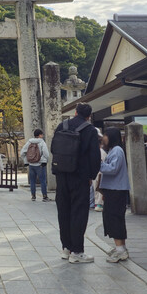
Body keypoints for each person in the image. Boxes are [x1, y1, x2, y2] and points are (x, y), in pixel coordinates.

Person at [53, 103, 101, 264]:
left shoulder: (62, 125)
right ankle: (77, 251)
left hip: (61, 175)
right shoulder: (90, 130)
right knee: (78, 213)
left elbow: (54, 148)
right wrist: (91, 175)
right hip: (80, 176)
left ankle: (66, 248)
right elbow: (94, 156)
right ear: (89, 116)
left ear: (75, 112)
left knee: (63, 211)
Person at [99, 128, 129, 263]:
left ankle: (120, 250)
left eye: (105, 135)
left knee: (114, 219)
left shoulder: (117, 150)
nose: (104, 138)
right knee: (116, 218)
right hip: (115, 189)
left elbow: (113, 168)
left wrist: (99, 164)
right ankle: (121, 248)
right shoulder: (114, 150)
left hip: (116, 190)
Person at [20, 129, 50, 201]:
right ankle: (44, 196)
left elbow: (22, 153)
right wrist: (44, 161)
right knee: (43, 181)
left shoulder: (29, 142)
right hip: (40, 165)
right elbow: (46, 153)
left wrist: (26, 161)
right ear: (40, 135)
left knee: (32, 181)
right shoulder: (42, 142)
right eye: (42, 134)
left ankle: (33, 196)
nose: (42, 136)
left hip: (31, 164)